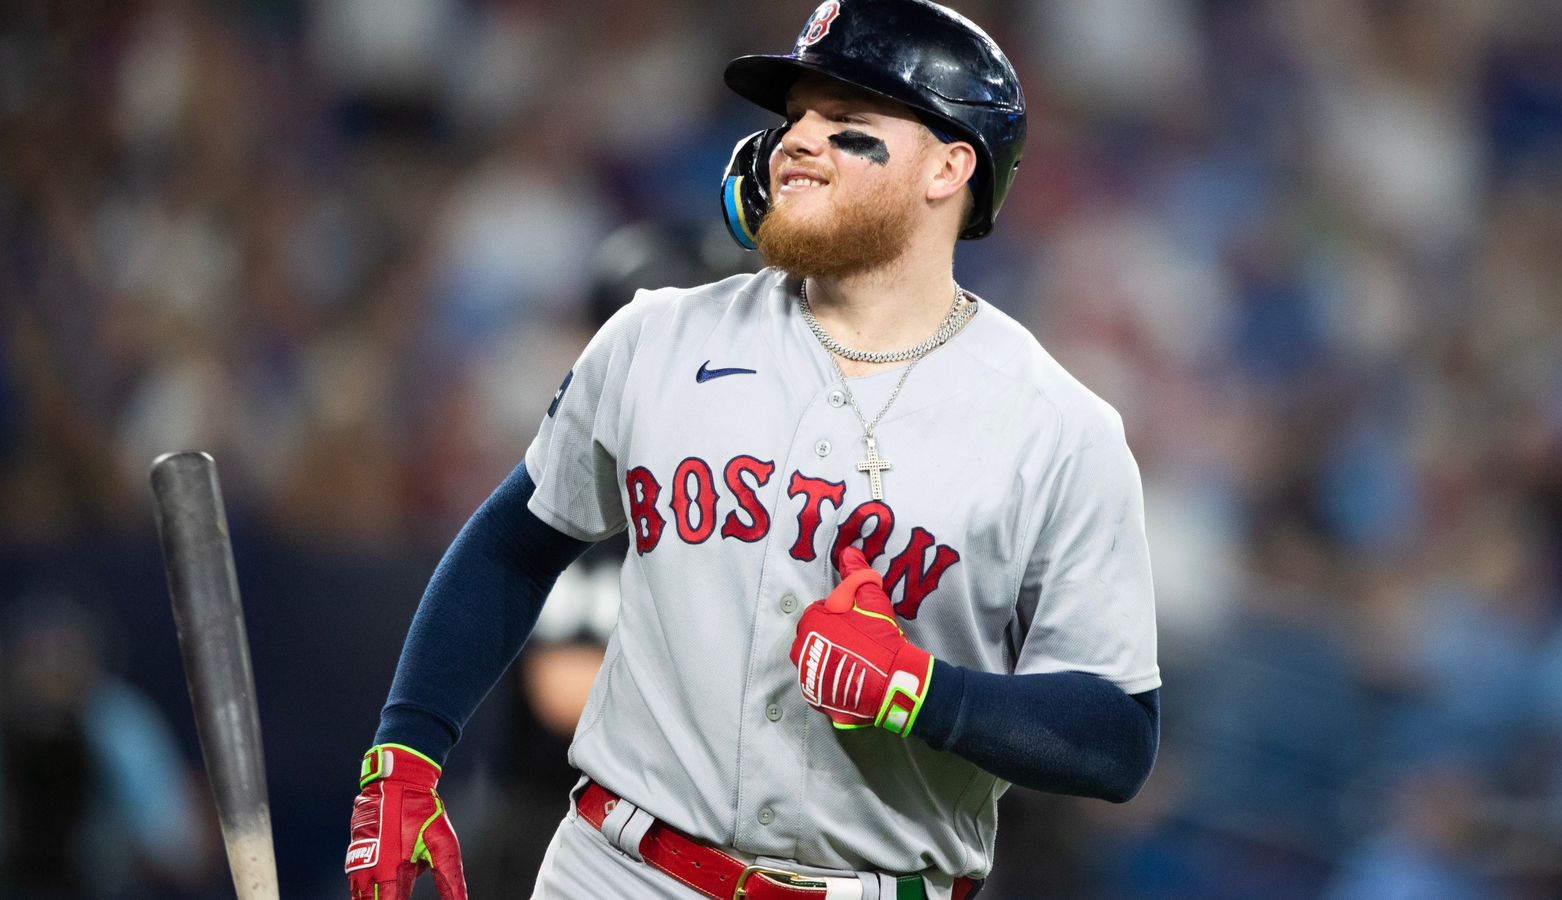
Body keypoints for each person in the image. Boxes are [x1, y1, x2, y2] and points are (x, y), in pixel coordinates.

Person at [344, 2, 1161, 898]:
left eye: (846, 125)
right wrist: (409, 748)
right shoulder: (655, 338)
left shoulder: (1056, 427)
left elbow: (1117, 733)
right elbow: (514, 544)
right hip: (617, 870)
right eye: (794, 117)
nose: (797, 142)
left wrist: (921, 694)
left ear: (948, 167)